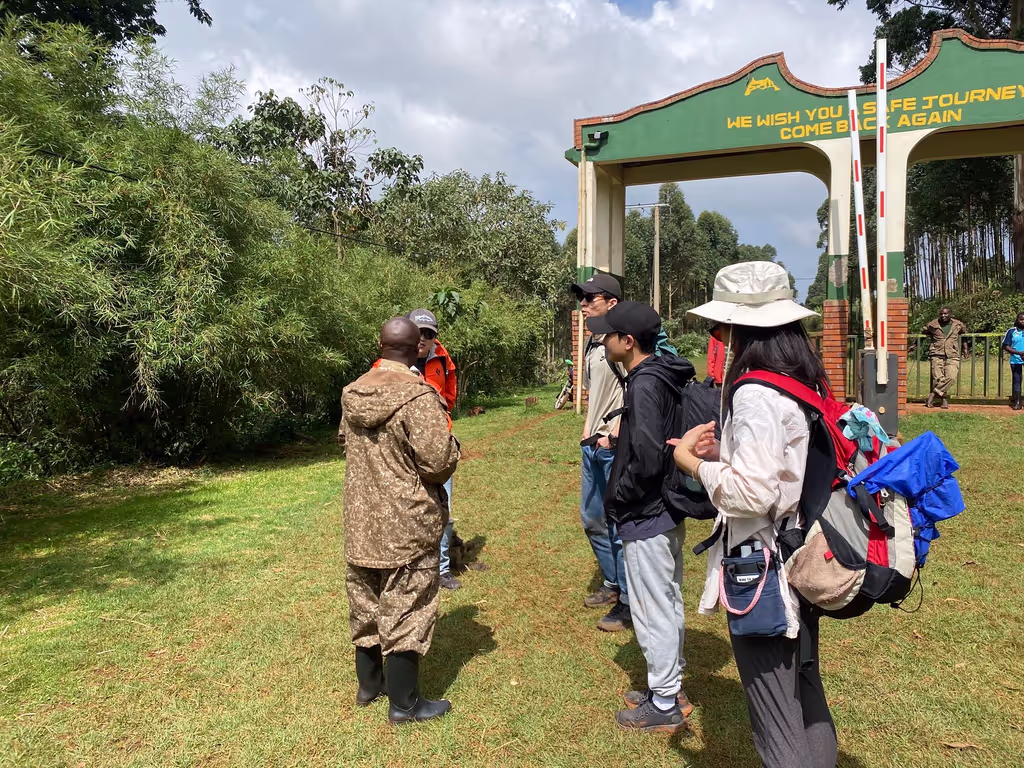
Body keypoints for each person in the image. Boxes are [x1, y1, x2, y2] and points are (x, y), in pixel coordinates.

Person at [671, 261, 838, 768]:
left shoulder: (754, 392)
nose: (718, 336)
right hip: (803, 553)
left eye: (720, 327)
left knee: (775, 714)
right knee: (805, 694)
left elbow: (750, 495)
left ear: (738, 328)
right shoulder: (801, 380)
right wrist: (727, 452)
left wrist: (693, 463)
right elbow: (783, 467)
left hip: (763, 567)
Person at [341, 317, 460, 724]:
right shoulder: (417, 396)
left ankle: (369, 685)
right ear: (415, 351)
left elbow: (346, 441)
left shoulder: (354, 391)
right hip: (406, 522)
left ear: (381, 346)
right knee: (408, 605)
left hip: (360, 519)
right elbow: (438, 462)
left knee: (367, 602)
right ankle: (405, 704)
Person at [587, 301, 696, 733]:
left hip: (647, 513)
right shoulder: (657, 374)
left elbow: (649, 457)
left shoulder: (645, 383)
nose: (602, 337)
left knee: (653, 607)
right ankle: (667, 687)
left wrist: (621, 497)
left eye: (607, 332)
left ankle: (666, 703)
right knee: (664, 599)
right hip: (662, 510)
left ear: (627, 342)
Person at [571, 273, 631, 632]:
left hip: (613, 447)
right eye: (582, 297)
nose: (583, 303)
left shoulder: (623, 343)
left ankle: (627, 598)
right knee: (592, 518)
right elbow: (595, 394)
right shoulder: (595, 345)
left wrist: (614, 435)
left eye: (591, 298)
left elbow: (638, 389)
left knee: (621, 524)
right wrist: (587, 433)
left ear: (611, 303)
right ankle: (612, 583)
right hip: (592, 445)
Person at [406, 309, 462, 590]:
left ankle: (441, 569)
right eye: (418, 332)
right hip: (405, 449)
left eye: (429, 333)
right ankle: (410, 566)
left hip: (438, 444)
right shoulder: (394, 360)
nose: (423, 338)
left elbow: (450, 391)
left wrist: (441, 418)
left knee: (443, 508)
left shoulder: (442, 357)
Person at [921, 307, 967, 409]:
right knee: (939, 379)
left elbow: (964, 336)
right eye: (941, 314)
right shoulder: (933, 325)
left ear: (950, 314)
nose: (943, 316)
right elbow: (923, 332)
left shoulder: (958, 325)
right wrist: (915, 344)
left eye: (945, 314)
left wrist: (965, 349)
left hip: (952, 354)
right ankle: (944, 401)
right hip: (936, 354)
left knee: (951, 377)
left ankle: (932, 395)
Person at [1002, 312, 1024, 411]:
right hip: (1016, 359)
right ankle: (1018, 401)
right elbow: (1006, 346)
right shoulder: (1011, 331)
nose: (1023, 321)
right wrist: (1019, 353)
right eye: (1021, 319)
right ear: (1017, 320)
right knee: (1017, 380)